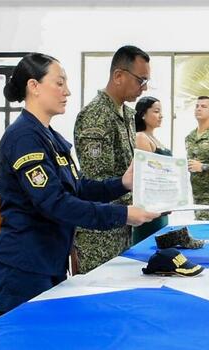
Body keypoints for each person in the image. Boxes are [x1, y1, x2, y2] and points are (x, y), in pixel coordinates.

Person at [0, 53, 159, 314]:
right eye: (59, 83)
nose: (67, 91)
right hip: (23, 268)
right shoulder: (24, 137)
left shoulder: (49, 136)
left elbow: (78, 187)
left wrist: (121, 184)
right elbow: (56, 203)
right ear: (34, 86)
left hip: (49, 262)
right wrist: (123, 214)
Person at [74, 45, 150, 273]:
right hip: (100, 234)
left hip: (123, 226)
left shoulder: (126, 115)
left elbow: (126, 172)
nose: (143, 89)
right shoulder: (95, 116)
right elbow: (97, 182)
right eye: (140, 81)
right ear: (118, 76)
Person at [132, 96, 171, 244]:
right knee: (149, 243)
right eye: (156, 111)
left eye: (161, 112)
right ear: (143, 114)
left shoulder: (153, 138)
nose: (161, 115)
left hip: (162, 200)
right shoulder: (141, 137)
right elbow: (148, 173)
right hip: (151, 201)